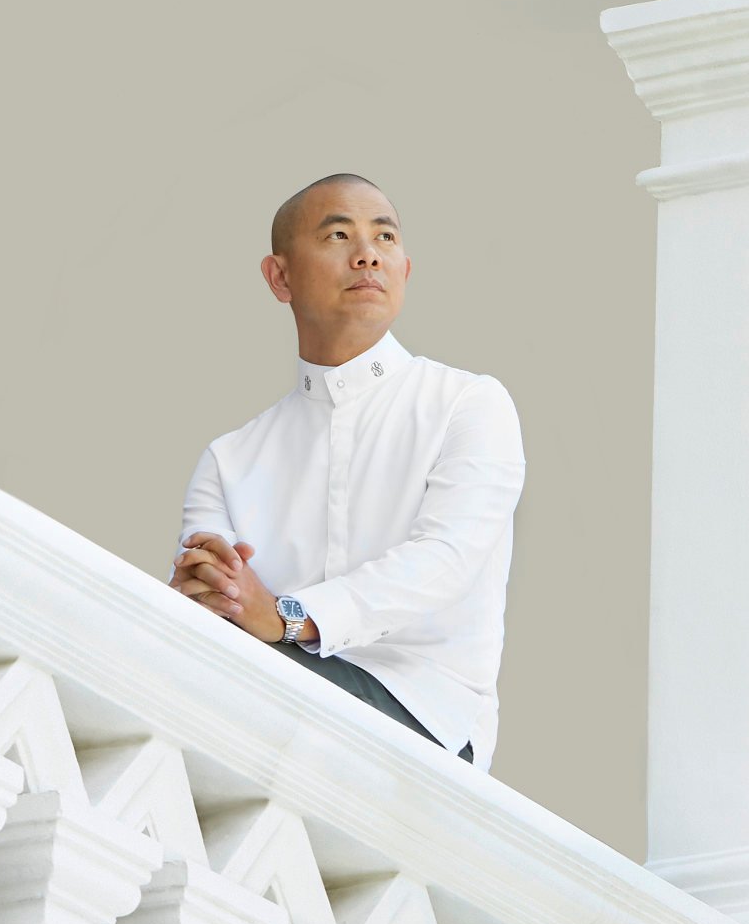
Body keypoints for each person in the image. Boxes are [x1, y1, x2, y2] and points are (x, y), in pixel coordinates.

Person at [171, 172, 524, 768]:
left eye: (385, 238)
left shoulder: (468, 404)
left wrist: (289, 618)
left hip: (422, 718)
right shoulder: (229, 459)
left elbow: (445, 560)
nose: (367, 254)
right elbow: (215, 601)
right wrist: (222, 601)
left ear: (405, 271)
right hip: (268, 696)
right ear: (280, 276)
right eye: (338, 234)